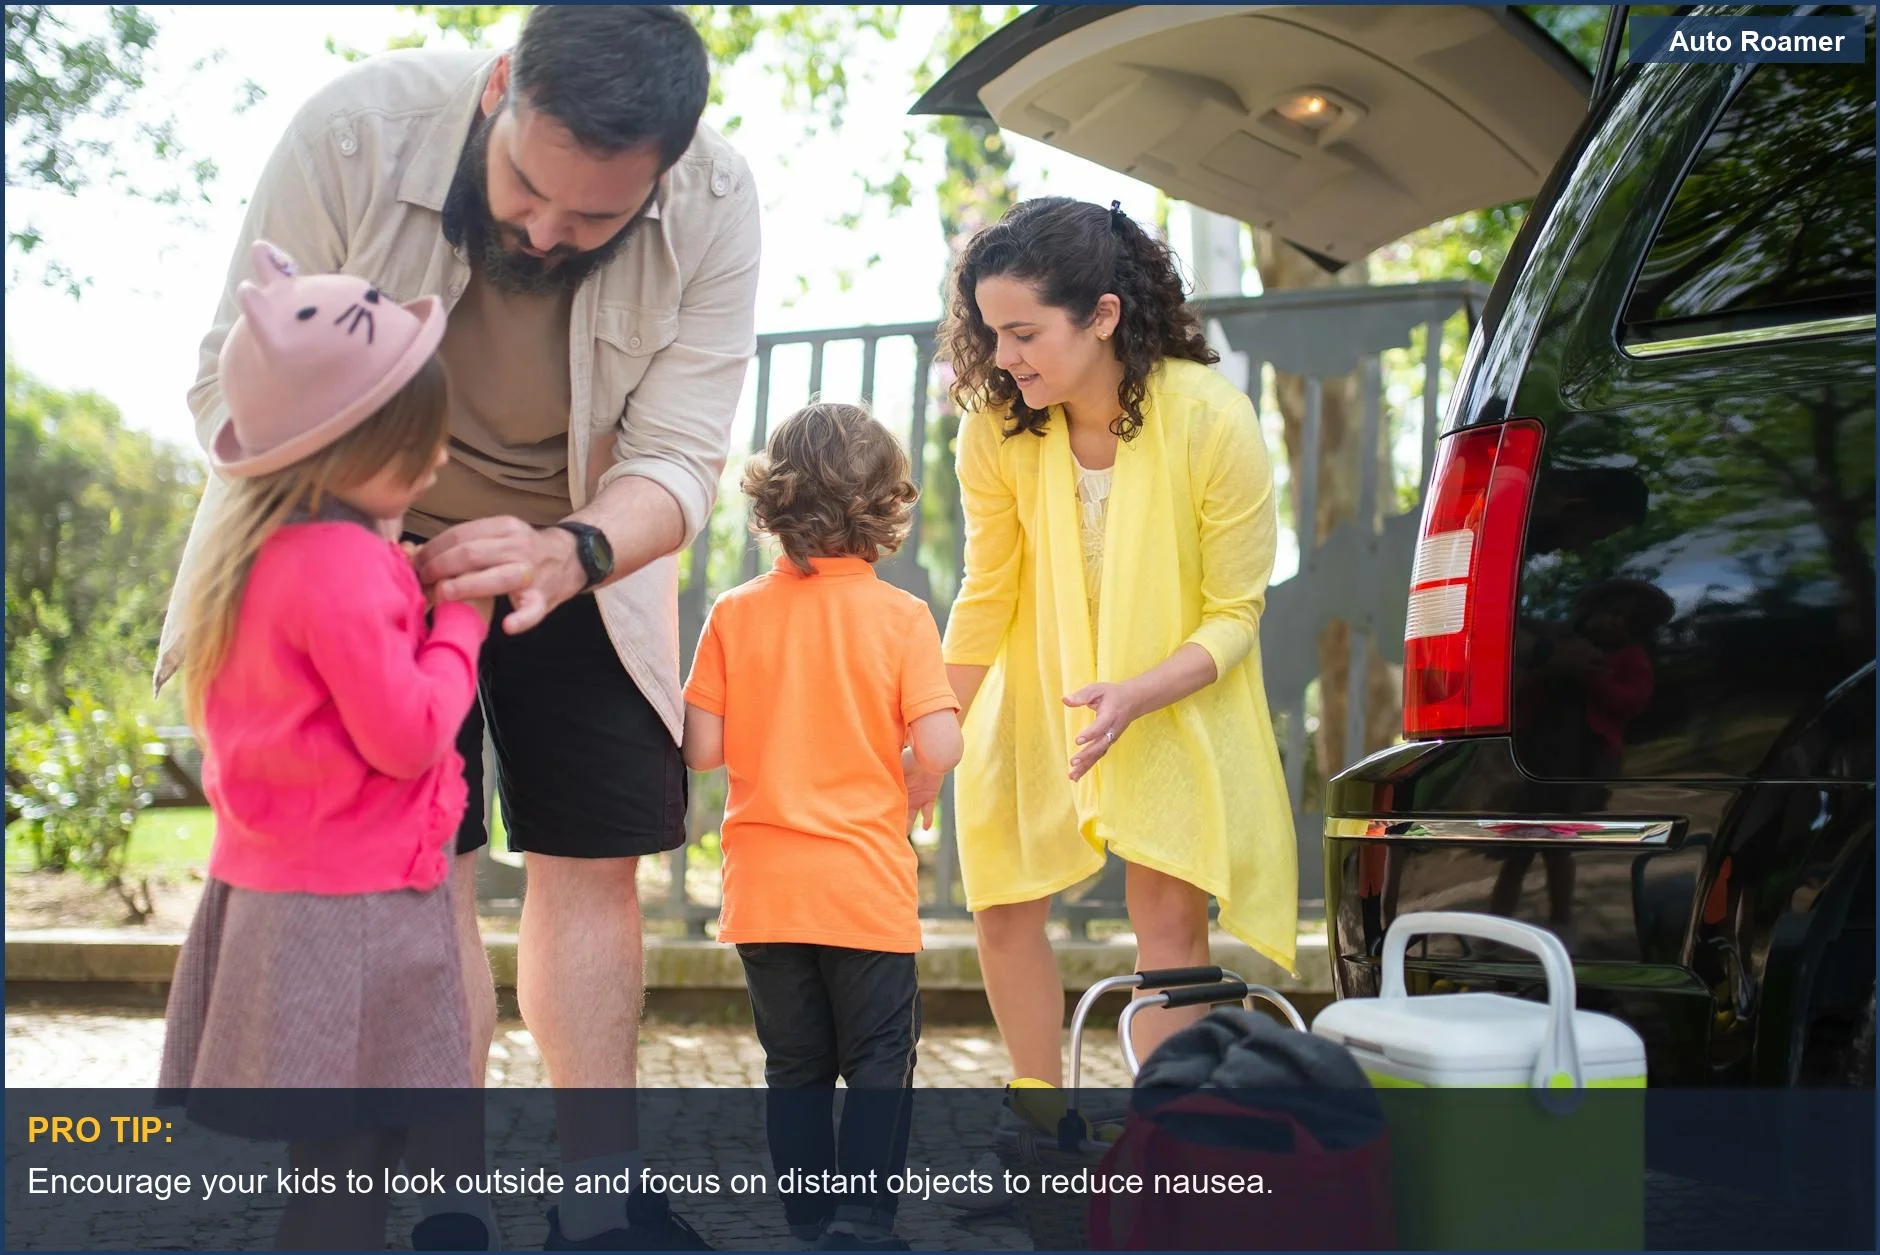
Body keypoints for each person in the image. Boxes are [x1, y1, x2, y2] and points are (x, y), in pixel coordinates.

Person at [155, 6, 759, 1249]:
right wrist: (359, 541)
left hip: (579, 539)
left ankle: (599, 1206)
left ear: (661, 176)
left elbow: (683, 455)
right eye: (527, 187)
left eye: (593, 220)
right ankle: (441, 1201)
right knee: (416, 870)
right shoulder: (352, 133)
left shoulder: (717, 204)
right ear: (497, 90)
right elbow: (233, 368)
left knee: (595, 861)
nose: (545, 232)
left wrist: (570, 550)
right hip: (351, 527)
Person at [913, 197, 1297, 1203]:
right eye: (990, 333)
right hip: (1040, 685)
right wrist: (935, 724)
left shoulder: (1210, 417)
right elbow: (987, 587)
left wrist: (1138, 691)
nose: (1001, 356)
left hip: (1169, 690)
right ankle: (1037, 1123)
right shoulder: (996, 427)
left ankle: (1172, 1137)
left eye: (1023, 332)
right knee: (999, 897)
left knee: (1163, 906)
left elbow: (1234, 613)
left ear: (1103, 315)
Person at [157, 241, 491, 1251]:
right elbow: (409, 734)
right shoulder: (343, 566)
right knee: (354, 1158)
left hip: (281, 897)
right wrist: (461, 622)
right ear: (350, 449)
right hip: (349, 912)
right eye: (418, 442)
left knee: (335, 1156)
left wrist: (416, 588)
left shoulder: (263, 556)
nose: (436, 460)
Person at [682, 403, 964, 1252]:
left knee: (794, 1063)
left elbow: (701, 750)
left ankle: (807, 1218)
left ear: (773, 502)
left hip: (766, 889)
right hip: (864, 886)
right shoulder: (903, 617)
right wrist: (913, 768)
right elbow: (942, 740)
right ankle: (861, 1218)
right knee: (881, 1056)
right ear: (885, 508)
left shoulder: (735, 612)